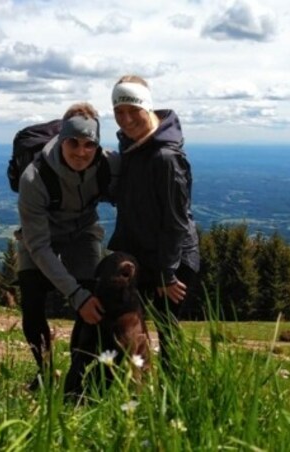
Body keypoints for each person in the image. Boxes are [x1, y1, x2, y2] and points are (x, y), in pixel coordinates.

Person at [16, 102, 118, 391]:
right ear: (61, 139)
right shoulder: (34, 178)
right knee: (32, 303)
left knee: (93, 300)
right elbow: (38, 245)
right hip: (39, 237)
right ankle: (44, 372)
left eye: (89, 144)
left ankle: (78, 374)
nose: (81, 151)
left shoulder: (108, 164)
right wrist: (75, 295)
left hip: (83, 231)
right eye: (73, 142)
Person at [108, 75, 200, 372]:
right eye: (118, 111)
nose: (126, 119)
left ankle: (175, 396)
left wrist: (167, 275)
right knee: (132, 326)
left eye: (133, 109)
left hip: (171, 260)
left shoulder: (165, 157)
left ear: (147, 107)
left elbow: (175, 222)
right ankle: (139, 389)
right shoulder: (133, 147)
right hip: (144, 255)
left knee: (167, 329)